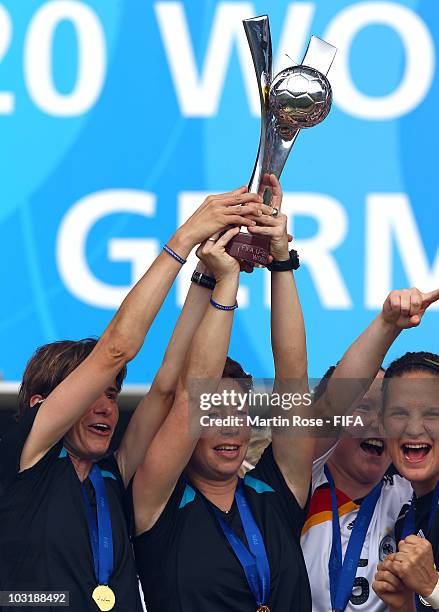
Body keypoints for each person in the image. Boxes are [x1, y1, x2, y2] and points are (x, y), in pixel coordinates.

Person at [0, 187, 263, 612]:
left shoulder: (113, 475)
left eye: (112, 393)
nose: (107, 406)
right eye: (91, 395)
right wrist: (182, 239)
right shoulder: (23, 460)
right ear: (38, 407)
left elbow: (170, 386)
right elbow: (115, 351)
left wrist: (211, 273)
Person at [132, 175, 315, 611]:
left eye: (237, 412)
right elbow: (187, 395)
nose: (229, 425)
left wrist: (281, 260)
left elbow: (293, 377)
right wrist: (225, 282)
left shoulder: (274, 492)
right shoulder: (157, 500)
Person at [302, 287, 438, 612]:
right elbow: (330, 407)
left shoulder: (415, 486)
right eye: (363, 408)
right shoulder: (296, 482)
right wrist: (387, 324)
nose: (378, 423)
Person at [372, 349, 439, 612]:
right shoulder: (405, 521)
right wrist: (402, 605)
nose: (413, 428)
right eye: (399, 413)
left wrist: (432, 588)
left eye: (432, 414)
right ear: (381, 426)